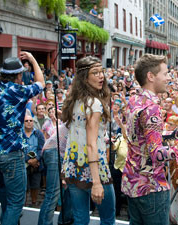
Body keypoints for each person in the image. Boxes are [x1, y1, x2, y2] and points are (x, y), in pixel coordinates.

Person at [121, 54, 178, 225]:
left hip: (132, 182)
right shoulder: (151, 108)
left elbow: (145, 141)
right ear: (151, 76)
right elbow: (156, 154)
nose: (169, 78)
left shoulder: (134, 100)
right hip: (150, 186)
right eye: (165, 73)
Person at [0, 52, 45, 225]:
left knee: (5, 198)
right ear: (18, 75)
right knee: (16, 202)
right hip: (11, 153)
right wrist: (32, 60)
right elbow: (41, 83)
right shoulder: (16, 91)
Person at [61, 56, 115, 225]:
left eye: (102, 72)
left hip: (73, 166)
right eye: (95, 73)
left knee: (80, 218)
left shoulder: (74, 101)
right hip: (94, 168)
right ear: (85, 77)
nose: (101, 76)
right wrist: (97, 182)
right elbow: (91, 144)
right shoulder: (94, 104)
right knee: (107, 219)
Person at [23, 114, 45, 207]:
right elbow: (18, 149)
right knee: (24, 186)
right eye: (26, 121)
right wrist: (28, 160)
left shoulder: (38, 133)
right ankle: (23, 204)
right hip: (23, 164)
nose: (29, 122)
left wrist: (36, 159)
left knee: (35, 185)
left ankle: (34, 203)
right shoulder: (20, 133)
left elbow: (41, 148)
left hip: (36, 163)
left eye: (30, 121)